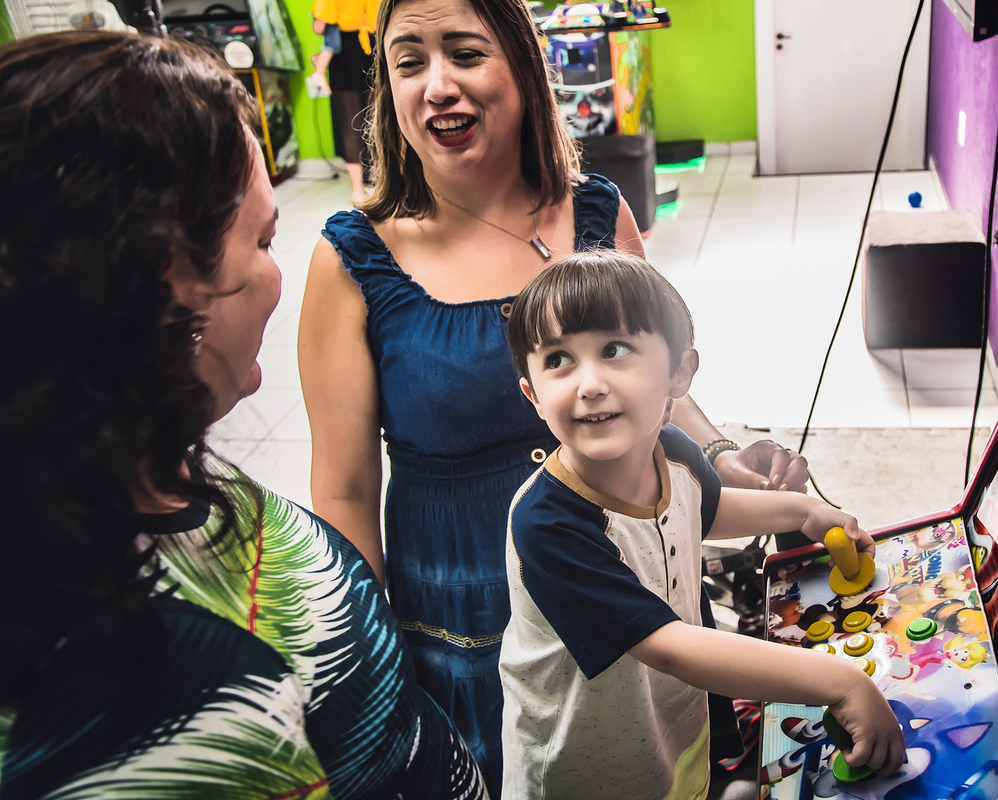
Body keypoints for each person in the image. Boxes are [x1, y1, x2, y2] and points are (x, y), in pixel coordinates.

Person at [298, 0, 810, 790]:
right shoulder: (354, 259)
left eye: (465, 54)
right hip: (465, 620)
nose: (437, 86)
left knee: (660, 758)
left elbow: (659, 386)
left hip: (631, 575)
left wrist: (720, 454)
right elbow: (344, 488)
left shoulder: (597, 211)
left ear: (522, 68)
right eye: (409, 62)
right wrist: (369, 666)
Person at [0, 31, 486, 799]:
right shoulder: (181, 689)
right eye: (261, 240)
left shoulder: (123, 471)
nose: (276, 273)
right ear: (170, 283)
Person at [499, 252, 904, 798]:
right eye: (558, 361)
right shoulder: (547, 523)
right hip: (585, 771)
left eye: (614, 350)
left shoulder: (674, 452)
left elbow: (706, 511)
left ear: (679, 374)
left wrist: (802, 512)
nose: (588, 384)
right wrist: (842, 684)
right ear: (532, 395)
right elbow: (666, 645)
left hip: (670, 729)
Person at [310, 0, 378, 198]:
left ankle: (361, 189)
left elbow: (319, 26)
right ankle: (372, 185)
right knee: (374, 124)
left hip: (351, 53)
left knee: (355, 126)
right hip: (365, 50)